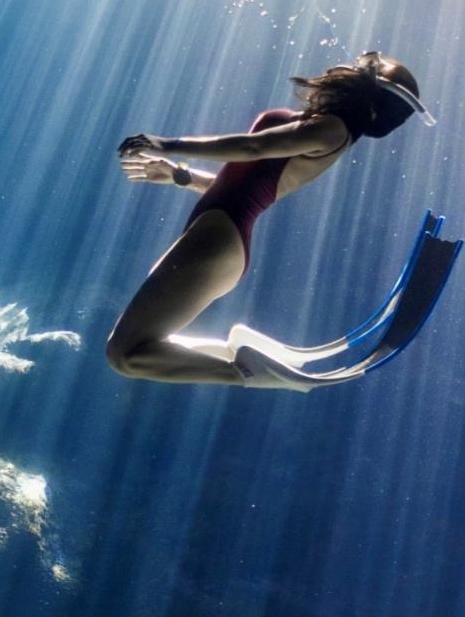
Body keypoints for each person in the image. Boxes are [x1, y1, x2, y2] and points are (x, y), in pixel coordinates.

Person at [107, 51, 433, 386]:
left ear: (368, 89)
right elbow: (242, 183)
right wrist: (182, 176)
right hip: (219, 237)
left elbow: (252, 149)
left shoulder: (333, 130)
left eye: (362, 68)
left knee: (125, 354)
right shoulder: (325, 127)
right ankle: (246, 364)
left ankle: (247, 373)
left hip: (218, 242)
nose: (349, 66)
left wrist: (169, 144)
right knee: (131, 351)